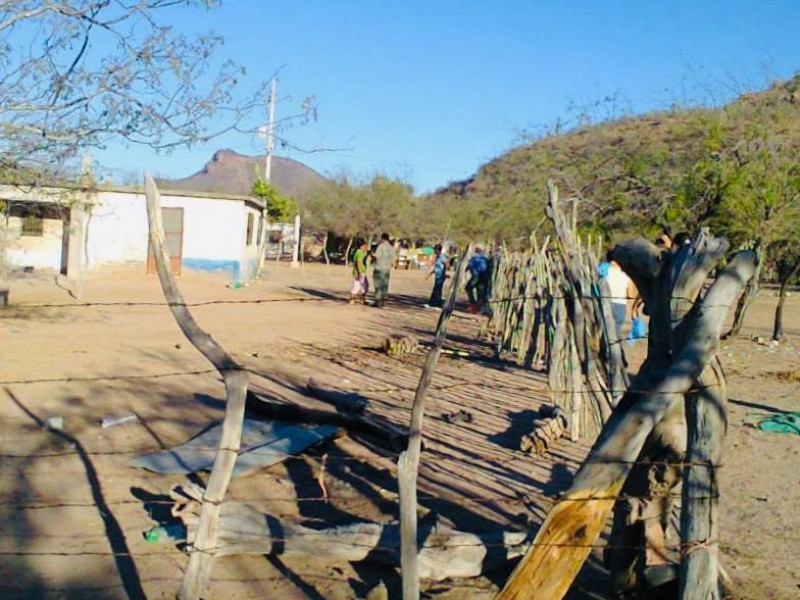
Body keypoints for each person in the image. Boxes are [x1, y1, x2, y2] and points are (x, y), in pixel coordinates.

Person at [605, 257, 632, 341]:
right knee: (616, 330)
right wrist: (630, 306)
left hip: (607, 302)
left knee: (606, 330)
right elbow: (630, 291)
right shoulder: (626, 273)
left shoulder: (604, 271)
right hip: (621, 303)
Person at [372, 233, 394, 307]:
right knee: (385, 284)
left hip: (379, 267)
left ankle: (377, 301)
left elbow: (377, 256)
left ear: (382, 238)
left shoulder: (381, 246)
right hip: (387, 268)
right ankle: (384, 300)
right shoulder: (391, 248)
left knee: (378, 284)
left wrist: (372, 254)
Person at [465, 246, 490, 313]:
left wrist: (468, 270)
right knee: (480, 292)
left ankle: (473, 304)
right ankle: (480, 308)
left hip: (477, 276)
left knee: (468, 288)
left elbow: (470, 266)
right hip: (484, 277)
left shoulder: (475, 257)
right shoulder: (485, 258)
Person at [425, 243, 448, 308]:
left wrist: (445, 272)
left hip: (441, 276)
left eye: (435, 249)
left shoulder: (442, 257)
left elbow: (446, 263)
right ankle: (432, 303)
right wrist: (429, 274)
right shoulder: (437, 257)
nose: (434, 251)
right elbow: (436, 267)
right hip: (437, 275)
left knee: (437, 290)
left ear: (438, 250)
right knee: (436, 289)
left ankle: (437, 304)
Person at [349, 240, 369, 305]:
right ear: (361, 246)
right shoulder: (360, 253)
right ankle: (352, 300)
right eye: (365, 246)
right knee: (357, 286)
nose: (366, 247)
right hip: (359, 272)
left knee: (365, 285)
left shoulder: (358, 252)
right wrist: (360, 272)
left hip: (360, 272)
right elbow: (359, 262)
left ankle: (362, 300)